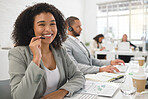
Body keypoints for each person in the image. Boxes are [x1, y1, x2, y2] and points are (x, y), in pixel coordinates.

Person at [8, 3, 85, 99]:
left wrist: (62, 91)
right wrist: (36, 59)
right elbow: (20, 97)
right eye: (42, 24)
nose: (48, 29)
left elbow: (78, 76)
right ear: (31, 29)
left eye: (52, 24)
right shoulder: (18, 53)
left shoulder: (60, 51)